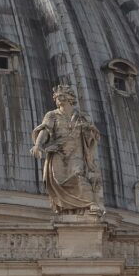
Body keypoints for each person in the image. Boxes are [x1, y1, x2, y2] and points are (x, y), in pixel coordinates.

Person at [30, 85, 103, 214]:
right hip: (58, 151)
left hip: (76, 151)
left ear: (70, 99)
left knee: (78, 176)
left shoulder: (81, 117)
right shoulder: (52, 115)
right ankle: (65, 206)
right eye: (56, 98)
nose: (58, 100)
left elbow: (93, 135)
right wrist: (37, 145)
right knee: (58, 179)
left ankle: (89, 203)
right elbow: (45, 131)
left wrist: (90, 132)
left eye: (61, 97)